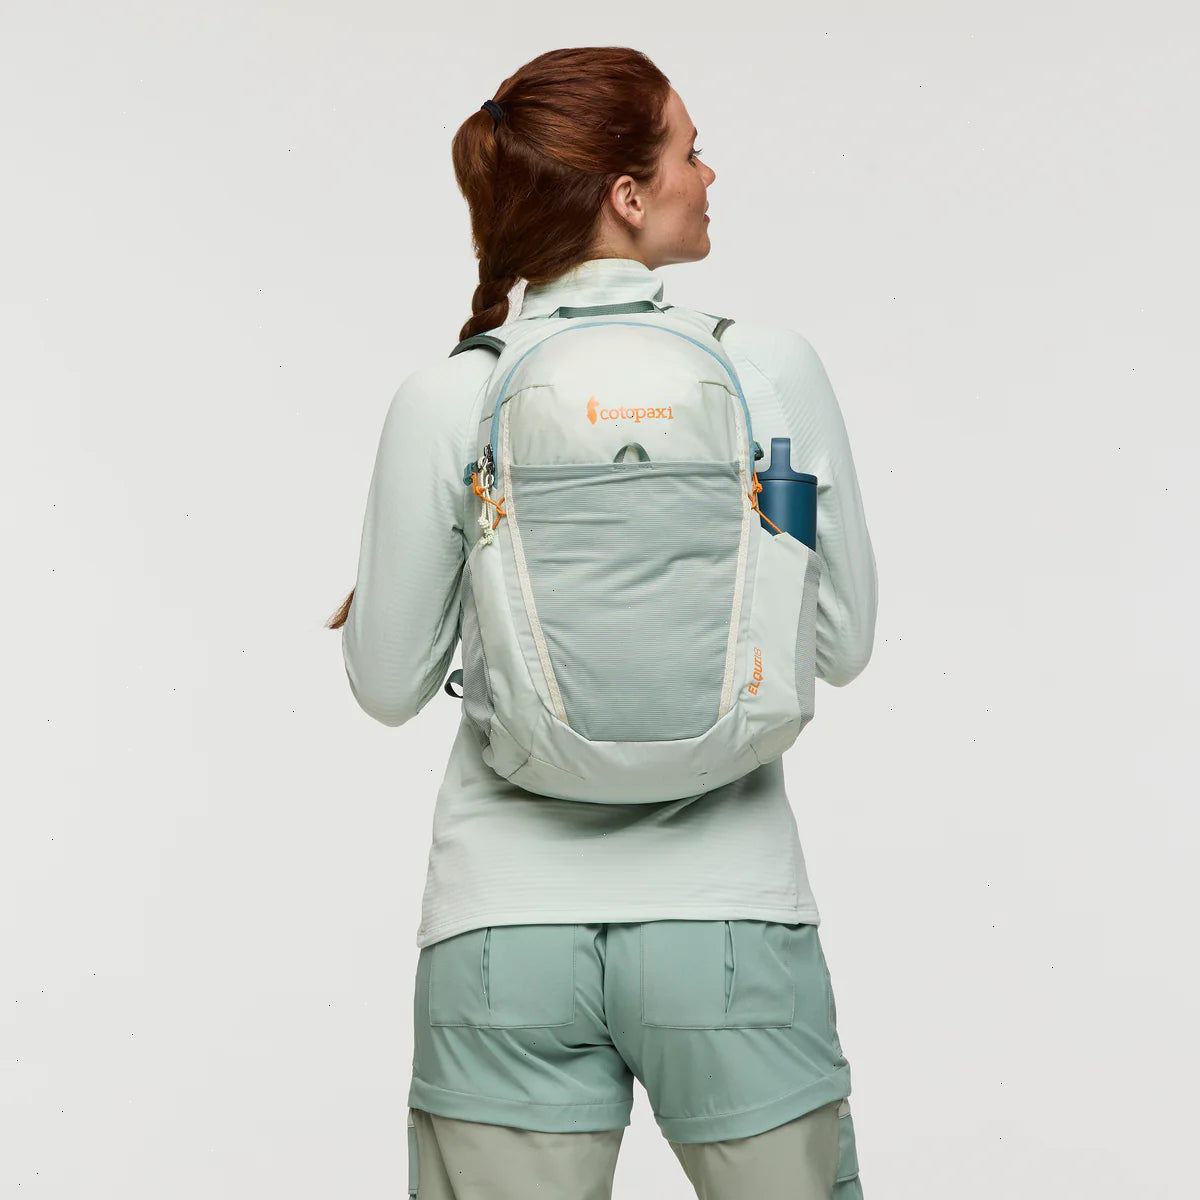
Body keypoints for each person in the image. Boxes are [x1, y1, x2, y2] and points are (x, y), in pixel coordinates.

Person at [328, 45, 878, 1200]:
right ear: (628, 195)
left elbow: (386, 688)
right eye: (690, 151)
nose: (709, 174)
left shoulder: (450, 392)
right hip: (731, 926)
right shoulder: (766, 368)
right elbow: (842, 644)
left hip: (502, 935)